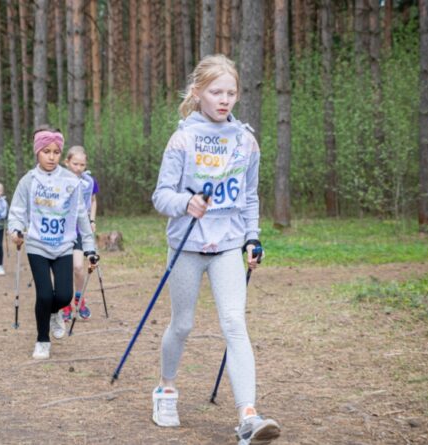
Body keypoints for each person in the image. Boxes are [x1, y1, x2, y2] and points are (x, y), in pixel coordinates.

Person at [150, 55, 280, 444]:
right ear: (198, 93)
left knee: (234, 323)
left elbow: (249, 197)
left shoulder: (246, 141)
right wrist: (185, 203)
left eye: (231, 92)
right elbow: (161, 196)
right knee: (183, 323)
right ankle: (166, 388)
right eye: (216, 91)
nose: (224, 100)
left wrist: (252, 237)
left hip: (227, 245)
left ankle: (248, 416)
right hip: (187, 243)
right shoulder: (183, 139)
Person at [7, 127, 99, 360]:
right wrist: (16, 230)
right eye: (46, 151)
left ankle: (55, 314)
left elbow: (81, 215)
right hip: (37, 244)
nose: (51, 156)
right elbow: (17, 210)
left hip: (64, 245)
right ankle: (42, 340)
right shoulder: (29, 180)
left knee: (64, 295)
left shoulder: (71, 181)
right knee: (45, 295)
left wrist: (90, 248)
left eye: (56, 152)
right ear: (38, 152)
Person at [60, 146, 99, 322]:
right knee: (63, 269)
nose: (78, 167)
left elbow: (93, 200)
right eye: (75, 163)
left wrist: (92, 221)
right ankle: (65, 303)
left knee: (78, 267)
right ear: (66, 162)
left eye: (82, 164)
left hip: (80, 231)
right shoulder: (58, 179)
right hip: (61, 231)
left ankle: (79, 298)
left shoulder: (89, 181)